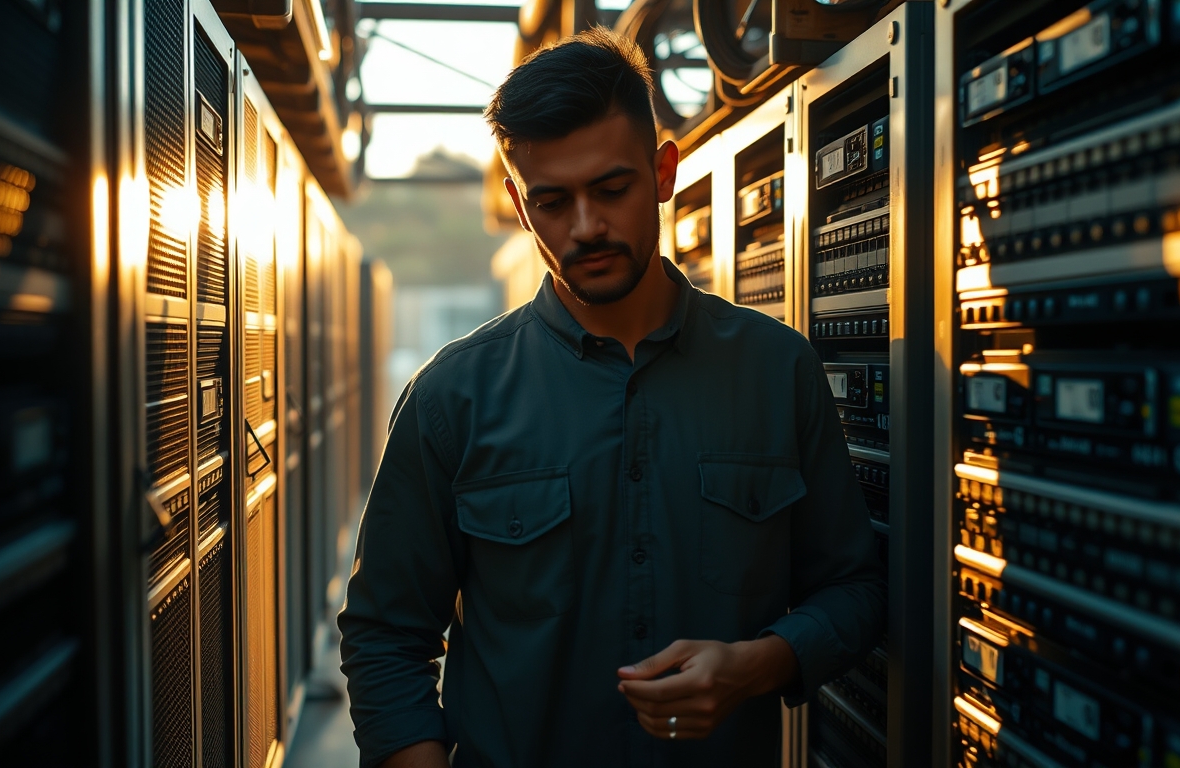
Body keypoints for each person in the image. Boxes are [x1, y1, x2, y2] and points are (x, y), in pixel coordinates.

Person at [338, 27, 886, 768]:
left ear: (663, 172)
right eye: (552, 201)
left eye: (611, 189)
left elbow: (854, 588)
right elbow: (384, 637)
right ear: (519, 204)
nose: (586, 227)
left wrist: (757, 665)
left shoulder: (777, 370)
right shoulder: (450, 399)